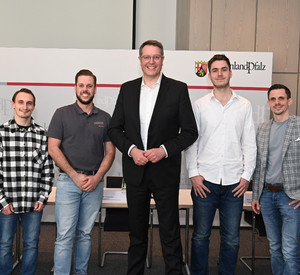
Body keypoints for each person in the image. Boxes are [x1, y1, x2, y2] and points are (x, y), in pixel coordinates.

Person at [108, 40, 198, 275]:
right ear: (140, 61)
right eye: (146, 57)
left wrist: (164, 150)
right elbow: (114, 129)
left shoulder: (178, 89)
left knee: (169, 232)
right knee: (136, 233)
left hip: (165, 172)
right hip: (135, 172)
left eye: (156, 57)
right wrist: (132, 150)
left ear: (162, 60)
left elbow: (190, 132)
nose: (151, 61)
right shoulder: (127, 89)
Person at [185, 54, 257, 275]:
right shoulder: (199, 105)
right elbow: (191, 141)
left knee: (232, 239)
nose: (219, 74)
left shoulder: (244, 105)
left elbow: (250, 143)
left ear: (230, 72)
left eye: (223, 69)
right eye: (215, 70)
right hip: (205, 182)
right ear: (209, 75)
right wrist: (194, 174)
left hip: (235, 184)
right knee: (200, 236)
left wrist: (246, 176)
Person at [47, 69, 115, 275]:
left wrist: (97, 178)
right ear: (75, 87)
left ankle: (80, 272)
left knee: (85, 234)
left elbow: (110, 152)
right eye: (81, 85)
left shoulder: (105, 117)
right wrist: (75, 176)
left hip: (94, 184)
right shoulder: (61, 113)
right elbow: (53, 148)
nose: (85, 90)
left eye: (89, 86)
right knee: (65, 235)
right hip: (69, 181)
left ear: (95, 88)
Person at [0, 88, 54, 275]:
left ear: (34, 107)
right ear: (13, 104)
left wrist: (43, 197)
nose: (25, 107)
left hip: (33, 203)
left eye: (29, 103)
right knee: (5, 245)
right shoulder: (2, 133)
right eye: (21, 102)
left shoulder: (41, 134)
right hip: (8, 203)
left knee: (31, 245)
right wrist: (2, 202)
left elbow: (48, 170)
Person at [252, 84, 300, 275]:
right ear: (268, 103)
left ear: (289, 101)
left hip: (291, 197)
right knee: (275, 248)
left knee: (289, 249)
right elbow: (258, 164)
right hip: (266, 196)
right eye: (273, 99)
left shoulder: (298, 126)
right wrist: (256, 195)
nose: (277, 103)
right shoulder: (262, 129)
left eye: (281, 98)